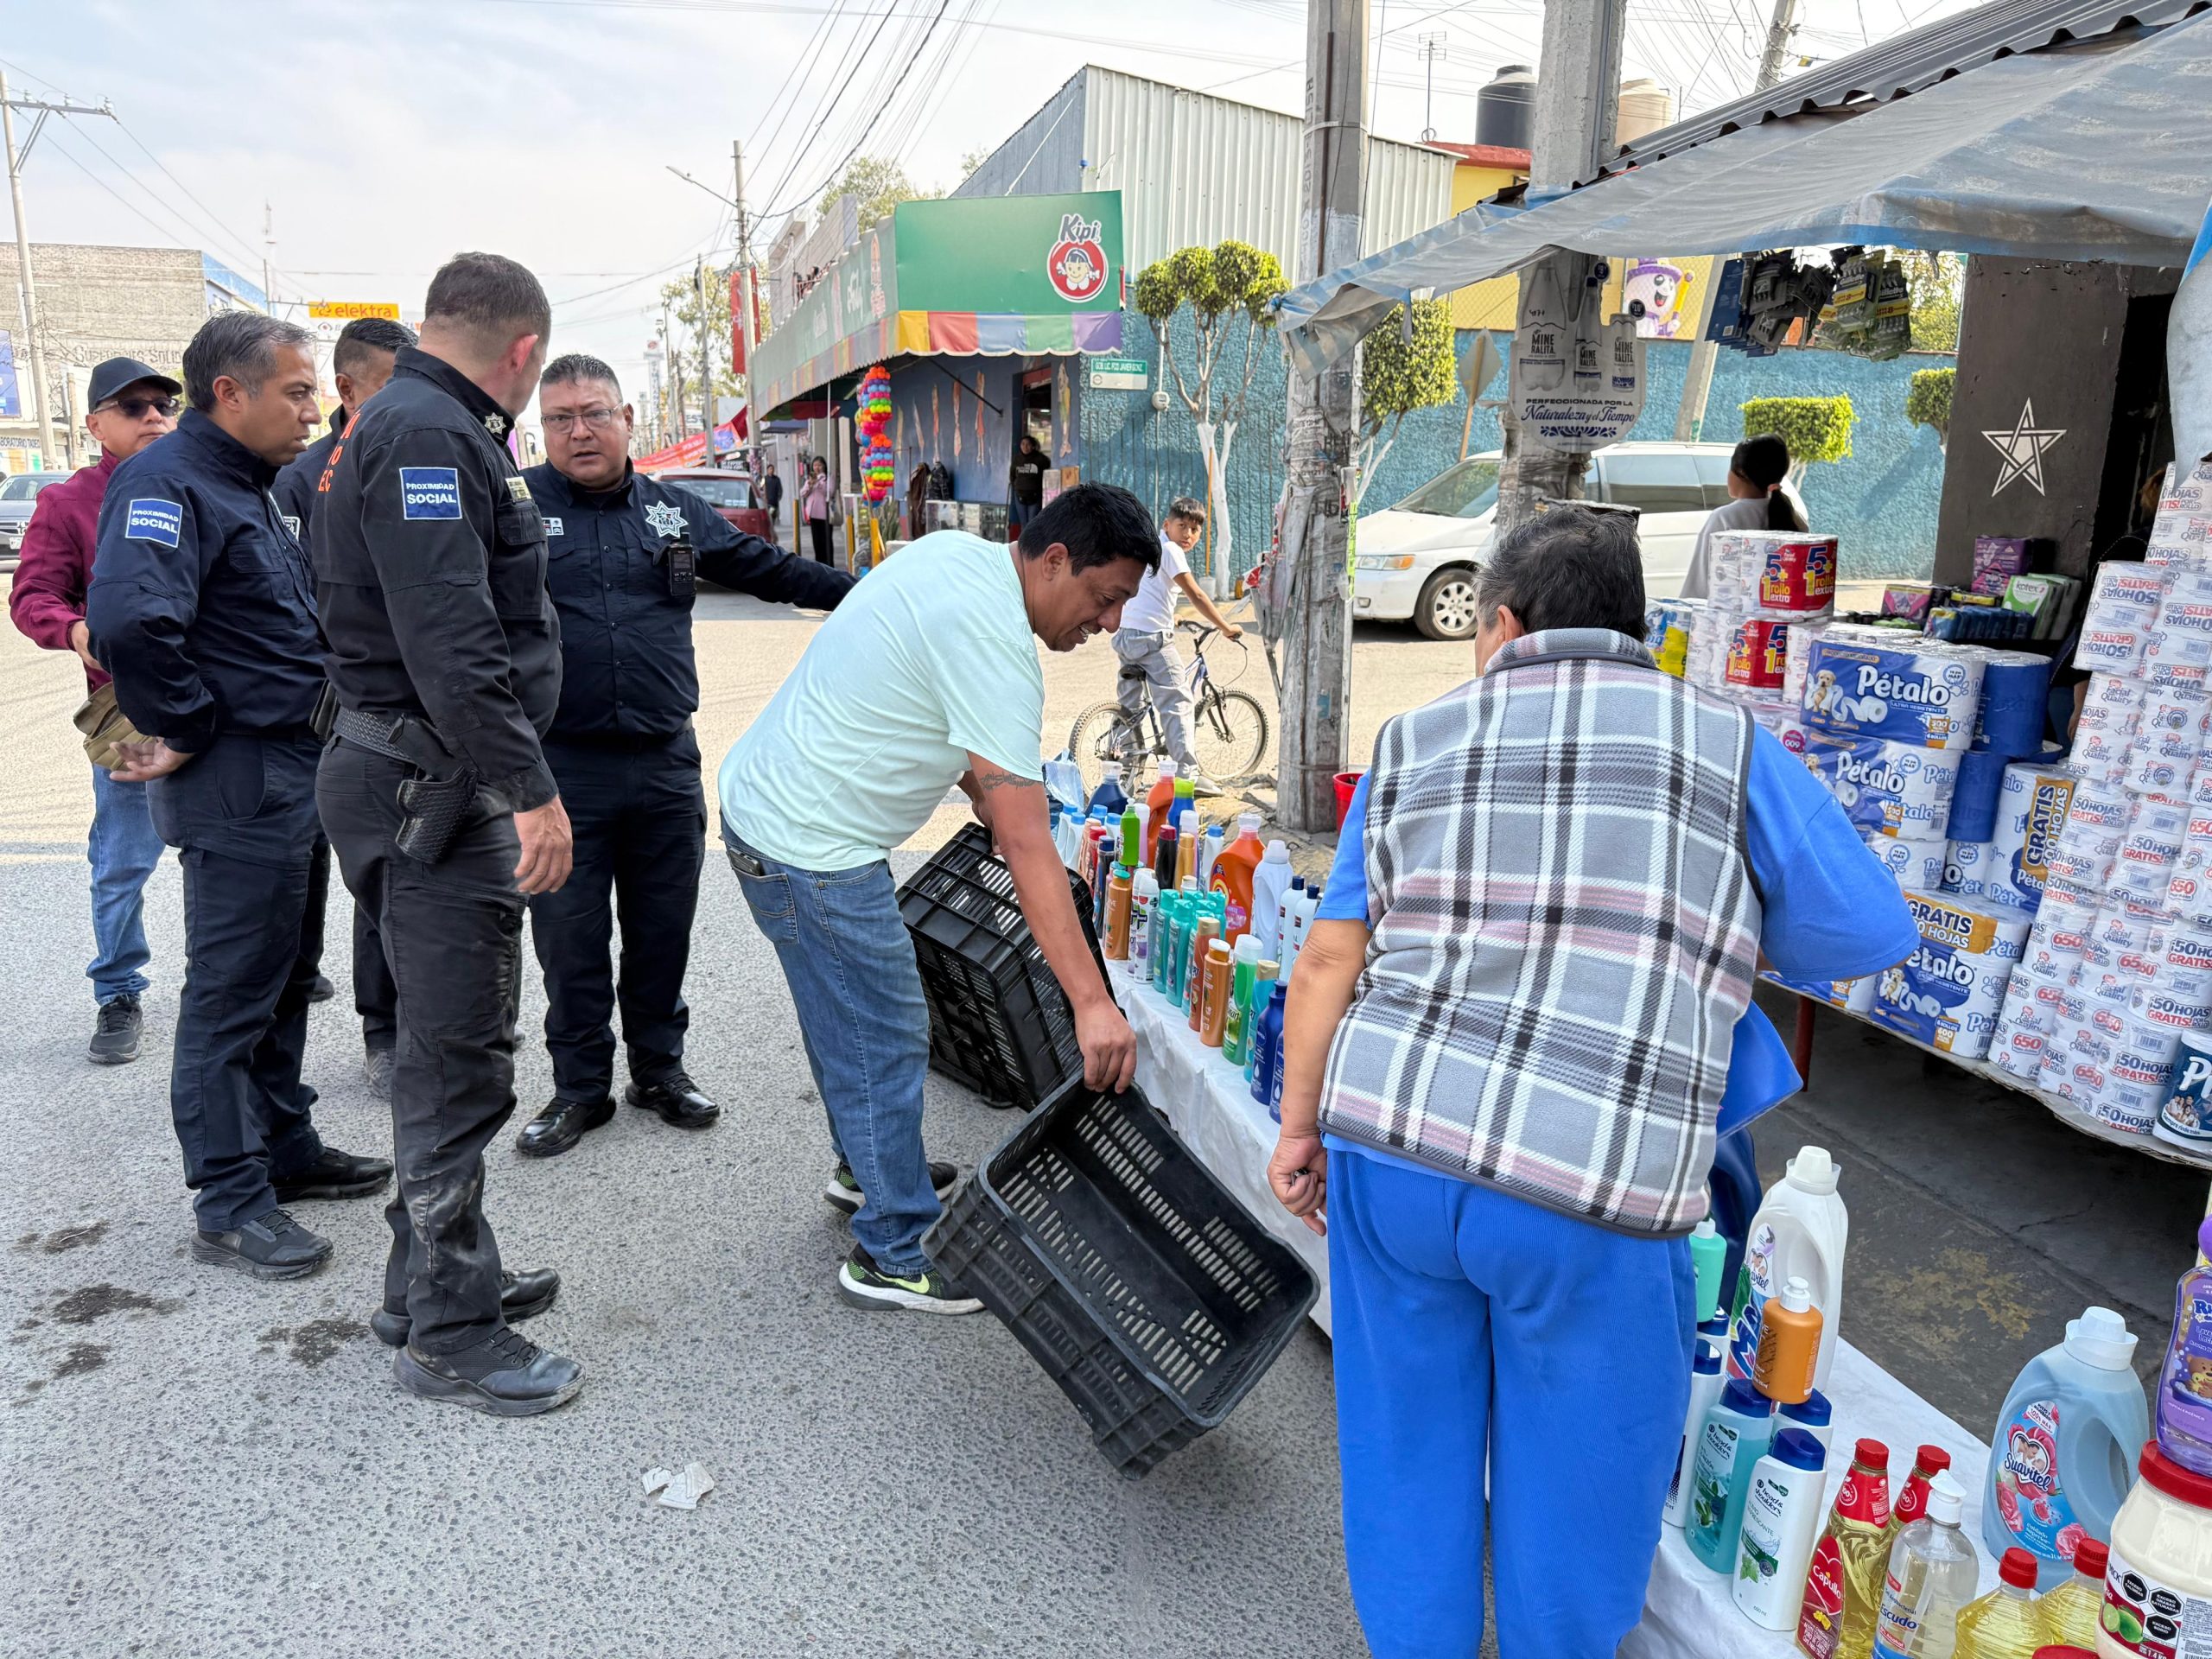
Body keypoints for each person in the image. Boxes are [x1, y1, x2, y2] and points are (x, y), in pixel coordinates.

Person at [1266, 505, 1916, 1659]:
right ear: (1637, 628)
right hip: (1594, 1181)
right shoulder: (1728, 745)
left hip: (1393, 1148)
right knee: (1578, 1493)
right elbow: (1867, 929)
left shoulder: (1415, 739)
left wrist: (1299, 1132)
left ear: (1505, 623)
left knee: (1404, 1452)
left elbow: (1327, 958)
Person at [717, 482, 1154, 1310]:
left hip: (770, 811)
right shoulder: (997, 646)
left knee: (844, 1016)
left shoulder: (960, 558)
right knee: (883, 1029)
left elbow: (921, 692)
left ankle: (870, 1170)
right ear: (1055, 561)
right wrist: (1093, 1005)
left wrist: (982, 787)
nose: (1108, 624)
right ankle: (893, 1250)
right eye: (1105, 598)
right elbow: (1027, 846)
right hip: (812, 847)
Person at [315, 252, 576, 1415]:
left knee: (438, 1039)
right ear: (523, 351)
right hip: (433, 785)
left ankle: (420, 1281)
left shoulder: (411, 418)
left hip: (408, 773)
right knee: (460, 1058)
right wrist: (532, 790)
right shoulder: (427, 432)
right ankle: (453, 1334)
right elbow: (450, 639)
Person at [86, 315, 392, 1280]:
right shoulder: (167, 481)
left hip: (294, 769)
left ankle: (284, 1147)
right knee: (231, 991)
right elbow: (130, 622)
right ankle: (228, 1197)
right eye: (297, 391)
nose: (313, 408)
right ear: (230, 392)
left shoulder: (245, 484)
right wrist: (181, 725)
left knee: (285, 974)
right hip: (237, 776)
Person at [513, 355, 855, 1159]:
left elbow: (770, 571)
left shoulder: (673, 510)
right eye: (560, 418)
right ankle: (579, 1089)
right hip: (562, 770)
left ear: (627, 419)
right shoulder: (514, 510)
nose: (580, 431)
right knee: (568, 939)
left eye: (595, 413)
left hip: (665, 762)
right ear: (543, 429)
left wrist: (869, 591)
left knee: (662, 929)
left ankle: (659, 1070)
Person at [8, 357, 181, 1065]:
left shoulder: (202, 484)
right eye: (133, 407)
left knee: (236, 853)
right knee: (122, 861)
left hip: (221, 706)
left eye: (164, 405)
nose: (154, 417)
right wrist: (76, 630)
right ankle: (118, 991)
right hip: (132, 712)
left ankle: (254, 976)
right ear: (95, 425)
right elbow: (31, 598)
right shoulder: (70, 502)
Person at [272, 315, 416, 1099]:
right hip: (349, 714)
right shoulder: (304, 478)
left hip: (433, 709)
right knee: (376, 879)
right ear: (348, 389)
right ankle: (383, 1032)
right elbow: (292, 605)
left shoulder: (428, 453)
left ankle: (438, 1013)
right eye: (396, 385)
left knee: (439, 871)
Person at [1110, 494, 1243, 793]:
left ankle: (1124, 773)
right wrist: (1225, 627)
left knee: (1130, 709)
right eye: (1182, 526)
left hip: (1126, 634)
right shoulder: (1171, 550)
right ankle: (1187, 777)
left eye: (1195, 530)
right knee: (1178, 702)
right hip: (1152, 639)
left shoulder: (1150, 546)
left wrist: (1172, 617)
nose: (1188, 534)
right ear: (1167, 525)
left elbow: (1151, 593)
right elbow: (1196, 595)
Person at [1677, 433, 1808, 599]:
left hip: (1732, 614)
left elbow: (1698, 588)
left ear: (1741, 472)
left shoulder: (1723, 519)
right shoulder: (1796, 520)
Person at [1008, 432, 1046, 534]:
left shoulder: (1040, 459)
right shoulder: (1017, 459)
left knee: (1033, 523)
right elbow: (1012, 475)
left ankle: (1032, 542)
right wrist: (1016, 486)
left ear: (1033, 446)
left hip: (1035, 495)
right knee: (1024, 524)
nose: (1025, 447)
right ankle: (1024, 543)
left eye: (1028, 444)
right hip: (1020, 495)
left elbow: (1046, 473)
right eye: (1023, 444)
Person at [802, 455, 833, 565]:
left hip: (825, 515)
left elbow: (830, 492)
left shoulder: (827, 478)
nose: (817, 468)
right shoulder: (810, 479)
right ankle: (819, 564)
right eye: (815, 465)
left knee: (826, 542)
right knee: (817, 542)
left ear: (824, 466)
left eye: (819, 465)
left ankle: (829, 564)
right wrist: (810, 485)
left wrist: (819, 484)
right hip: (813, 514)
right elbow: (803, 493)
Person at [760, 462, 784, 545]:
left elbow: (780, 489)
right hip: (767, 502)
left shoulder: (777, 479)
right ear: (767, 470)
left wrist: (779, 497)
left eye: (772, 469)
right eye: (770, 469)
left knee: (773, 517)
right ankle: (770, 530)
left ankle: (771, 529)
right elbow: (761, 487)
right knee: (768, 517)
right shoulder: (765, 479)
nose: (771, 470)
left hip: (774, 502)